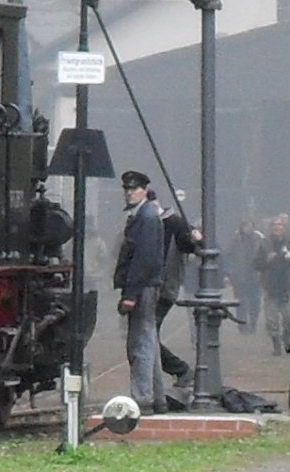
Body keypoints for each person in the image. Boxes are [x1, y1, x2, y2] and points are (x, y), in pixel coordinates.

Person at [113, 170, 166, 414]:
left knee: (140, 343)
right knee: (149, 340)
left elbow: (143, 259)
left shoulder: (146, 217)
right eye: (127, 189)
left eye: (134, 189)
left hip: (142, 287)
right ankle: (157, 397)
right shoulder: (145, 215)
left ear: (144, 190)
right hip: (145, 285)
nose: (129, 193)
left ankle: (142, 397)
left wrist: (130, 295)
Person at [148, 190, 202, 388]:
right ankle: (169, 374)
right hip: (148, 288)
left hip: (164, 289)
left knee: (147, 335)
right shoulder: (142, 223)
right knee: (146, 335)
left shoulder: (175, 223)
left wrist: (196, 239)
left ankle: (180, 370)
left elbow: (191, 244)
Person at [254, 215, 290, 355]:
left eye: (280, 225)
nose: (277, 227)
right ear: (271, 228)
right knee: (271, 319)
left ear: (285, 228)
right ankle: (276, 345)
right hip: (271, 286)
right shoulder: (265, 244)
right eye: (275, 225)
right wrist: (267, 260)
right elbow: (256, 264)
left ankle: (287, 337)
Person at [223, 218, 264, 335]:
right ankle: (242, 324)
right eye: (245, 226)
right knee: (240, 302)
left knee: (255, 302)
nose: (247, 228)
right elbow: (226, 255)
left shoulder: (259, 239)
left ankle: (253, 323)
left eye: (250, 226)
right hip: (240, 276)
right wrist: (230, 272)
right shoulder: (234, 240)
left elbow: (264, 254)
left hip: (255, 276)